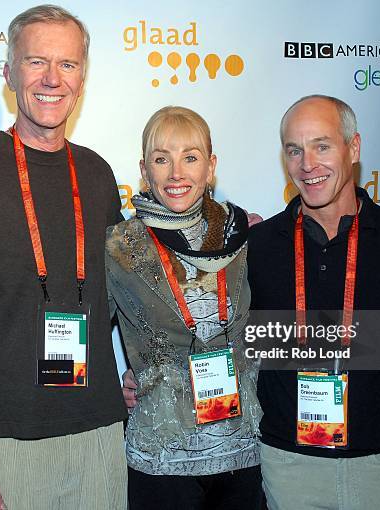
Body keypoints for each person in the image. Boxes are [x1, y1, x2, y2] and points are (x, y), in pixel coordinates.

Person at [0, 5, 127, 509]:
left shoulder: (97, 174)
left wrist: (229, 226)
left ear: (83, 77)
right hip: (0, 445)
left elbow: (126, 295)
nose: (52, 79)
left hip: (97, 435)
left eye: (68, 64)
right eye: (36, 62)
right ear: (10, 73)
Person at [248, 95, 380, 510]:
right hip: (288, 470)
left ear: (353, 148)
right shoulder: (259, 247)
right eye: (295, 149)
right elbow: (219, 337)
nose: (308, 164)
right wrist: (152, 376)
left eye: (322, 145)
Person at [106, 106, 263, 510]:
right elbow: (81, 331)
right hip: (162, 460)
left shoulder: (246, 233)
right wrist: (116, 385)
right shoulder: (119, 246)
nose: (176, 172)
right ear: (145, 170)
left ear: (210, 167)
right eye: (162, 159)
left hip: (243, 453)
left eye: (190, 157)